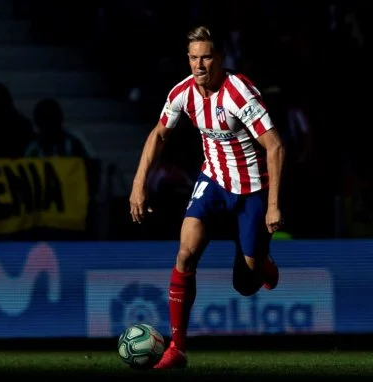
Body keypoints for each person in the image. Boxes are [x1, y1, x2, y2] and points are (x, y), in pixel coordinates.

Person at [129, 25, 285, 369]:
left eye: (207, 57)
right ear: (188, 59)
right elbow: (158, 134)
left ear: (221, 58)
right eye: (194, 58)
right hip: (213, 181)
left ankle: (262, 263)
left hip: (252, 189)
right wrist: (139, 183)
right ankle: (177, 348)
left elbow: (274, 146)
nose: (200, 65)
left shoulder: (239, 94)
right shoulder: (183, 93)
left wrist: (273, 205)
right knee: (185, 254)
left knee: (245, 284)